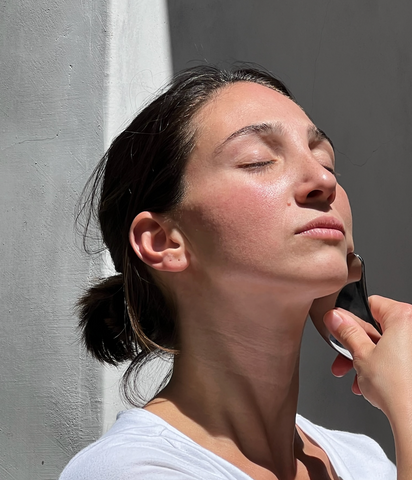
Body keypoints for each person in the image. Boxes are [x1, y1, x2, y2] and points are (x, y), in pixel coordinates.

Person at [59, 65, 412, 479]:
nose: (322, 181)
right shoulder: (128, 471)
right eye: (258, 160)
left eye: (327, 162)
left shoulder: (366, 462)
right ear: (162, 241)